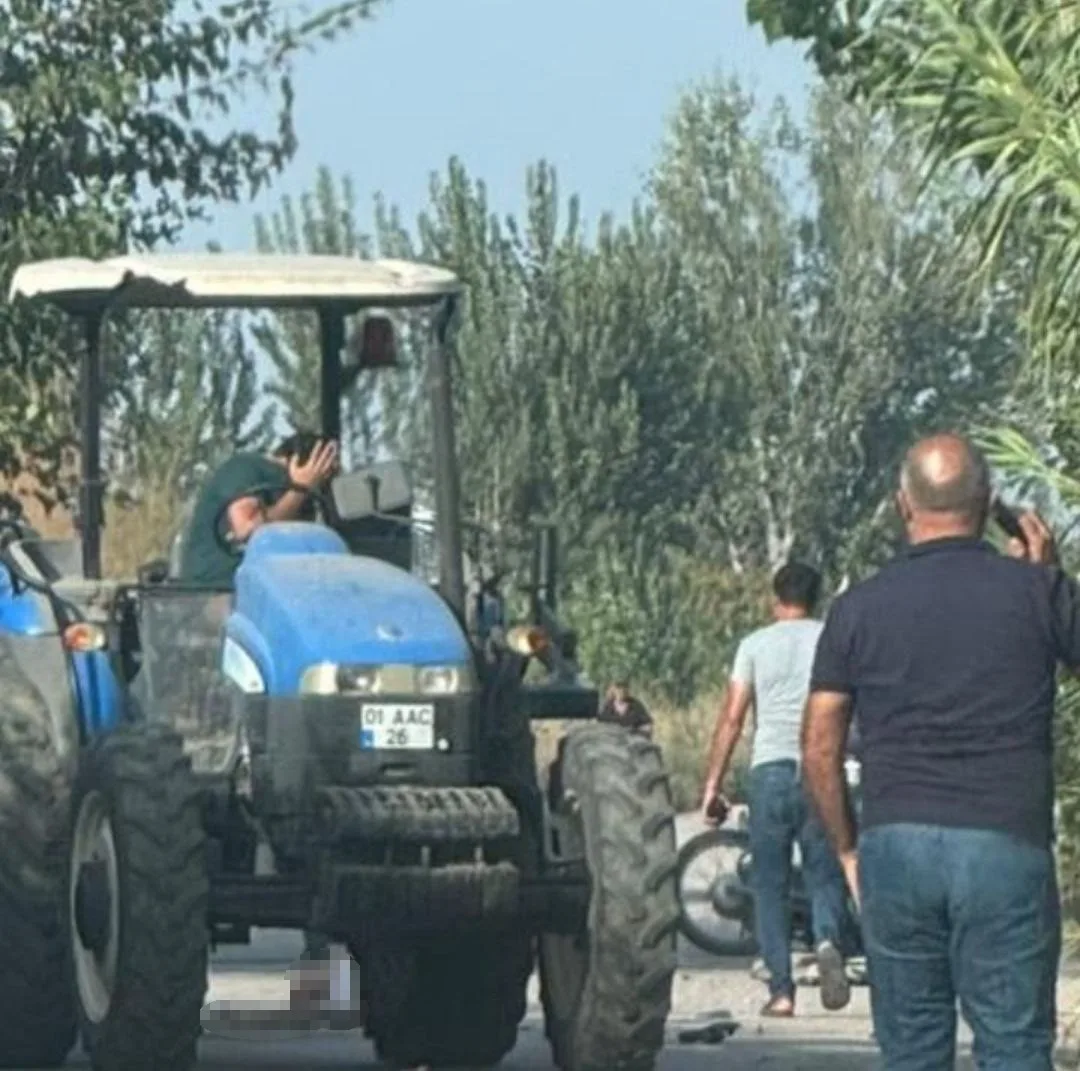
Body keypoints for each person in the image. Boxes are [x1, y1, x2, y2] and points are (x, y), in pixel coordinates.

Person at [802, 432, 1068, 1070]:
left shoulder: (856, 609)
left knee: (913, 1051)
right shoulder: (1038, 593)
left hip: (897, 847)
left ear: (903, 505)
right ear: (990, 503)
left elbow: (818, 746)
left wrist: (847, 849)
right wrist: (1050, 579)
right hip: (1006, 847)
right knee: (1013, 1046)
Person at [700, 561, 853, 1017]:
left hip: (769, 770)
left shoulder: (754, 645)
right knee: (826, 869)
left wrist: (712, 785)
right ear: (818, 597)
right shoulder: (831, 639)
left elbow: (732, 719)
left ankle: (782, 992)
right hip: (821, 767)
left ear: (775, 597)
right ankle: (827, 939)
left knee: (770, 884)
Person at [178, 431, 339, 589]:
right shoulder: (245, 468)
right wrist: (300, 489)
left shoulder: (303, 504)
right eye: (322, 475)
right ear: (299, 463)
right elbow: (247, 529)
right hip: (215, 591)